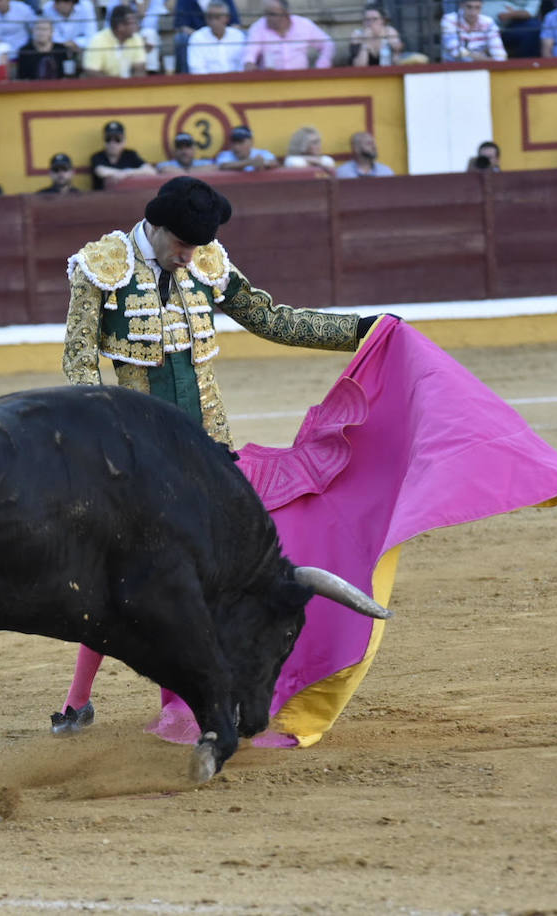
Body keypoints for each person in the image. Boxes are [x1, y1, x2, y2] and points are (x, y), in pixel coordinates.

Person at [52, 176, 390, 733]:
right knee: (135, 577)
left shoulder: (206, 261)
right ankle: (99, 702)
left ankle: (190, 700)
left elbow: (270, 318)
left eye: (195, 246)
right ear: (156, 228)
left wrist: (360, 330)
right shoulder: (100, 265)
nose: (189, 257)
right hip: (140, 453)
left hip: (211, 451)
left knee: (211, 573)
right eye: (181, 245)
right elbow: (79, 363)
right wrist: (102, 444)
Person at [242, 0, 333, 70]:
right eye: (266, 14)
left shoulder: (303, 24)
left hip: (300, 79)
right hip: (270, 81)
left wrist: (321, 66)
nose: (267, 18)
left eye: (272, 14)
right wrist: (249, 63)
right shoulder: (258, 26)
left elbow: (327, 44)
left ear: (286, 15)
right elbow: (250, 51)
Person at [173, 0, 239, 72]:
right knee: (181, 39)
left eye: (218, 17)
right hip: (196, 38)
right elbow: (181, 26)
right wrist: (203, 37)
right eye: (210, 17)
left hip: (236, 81)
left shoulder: (238, 36)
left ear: (227, 18)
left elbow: (236, 23)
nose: (214, 21)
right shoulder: (198, 38)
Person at [81, 3, 145, 77]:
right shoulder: (98, 40)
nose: (136, 26)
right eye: (132, 23)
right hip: (104, 87)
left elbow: (140, 69)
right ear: (120, 26)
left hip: (129, 86)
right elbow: (91, 72)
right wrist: (116, 85)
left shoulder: (136, 38)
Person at [89, 119, 155, 189]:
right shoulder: (97, 156)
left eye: (117, 139)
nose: (112, 143)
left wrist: (126, 173)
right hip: (102, 198)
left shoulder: (130, 154)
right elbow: (101, 171)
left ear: (124, 141)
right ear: (104, 140)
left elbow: (150, 170)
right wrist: (128, 173)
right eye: (108, 139)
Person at [441, 0, 508, 60]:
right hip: (454, 68)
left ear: (482, 7)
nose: (473, 13)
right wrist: (483, 59)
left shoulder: (488, 22)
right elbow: (455, 51)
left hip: (481, 66)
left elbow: (499, 53)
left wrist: (494, 61)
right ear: (461, 6)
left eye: (477, 7)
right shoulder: (449, 19)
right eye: (469, 7)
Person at [43, 0, 95, 65]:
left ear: (71, 2)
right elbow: (52, 35)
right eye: (55, 2)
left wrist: (76, 43)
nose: (54, 6)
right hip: (59, 48)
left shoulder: (86, 6)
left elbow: (91, 35)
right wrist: (67, 44)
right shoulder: (48, 8)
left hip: (82, 48)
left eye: (59, 2)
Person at [213, 124, 278, 171]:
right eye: (234, 142)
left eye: (240, 142)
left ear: (251, 142)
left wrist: (264, 163)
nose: (236, 147)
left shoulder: (262, 153)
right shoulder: (225, 155)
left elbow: (274, 162)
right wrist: (250, 162)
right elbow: (223, 165)